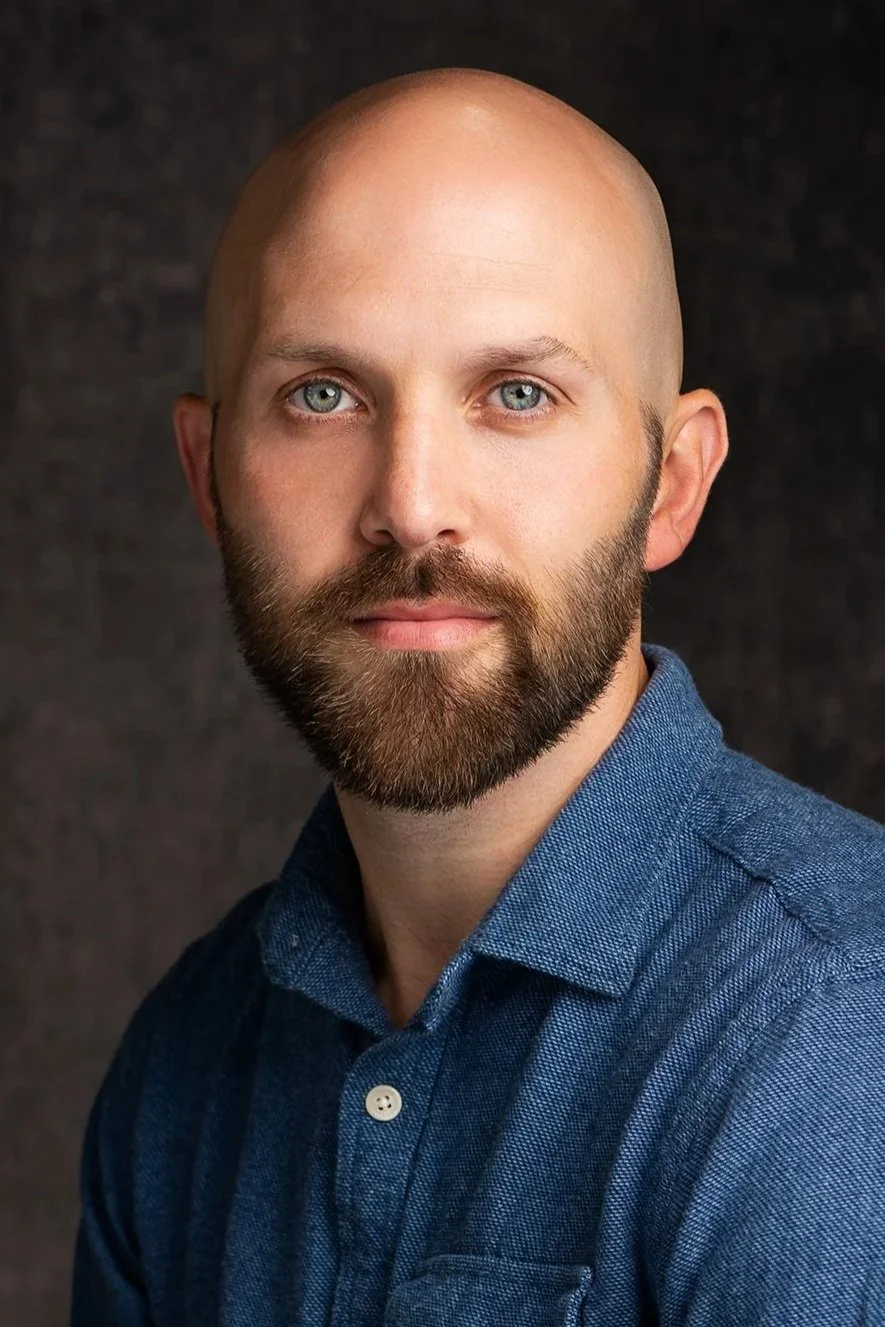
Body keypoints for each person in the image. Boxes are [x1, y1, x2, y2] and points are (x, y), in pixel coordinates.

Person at [70, 67, 885, 1326]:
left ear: (671, 484)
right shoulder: (184, 1062)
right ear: (209, 472)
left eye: (518, 394)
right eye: (323, 394)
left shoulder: (839, 1036)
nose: (410, 503)